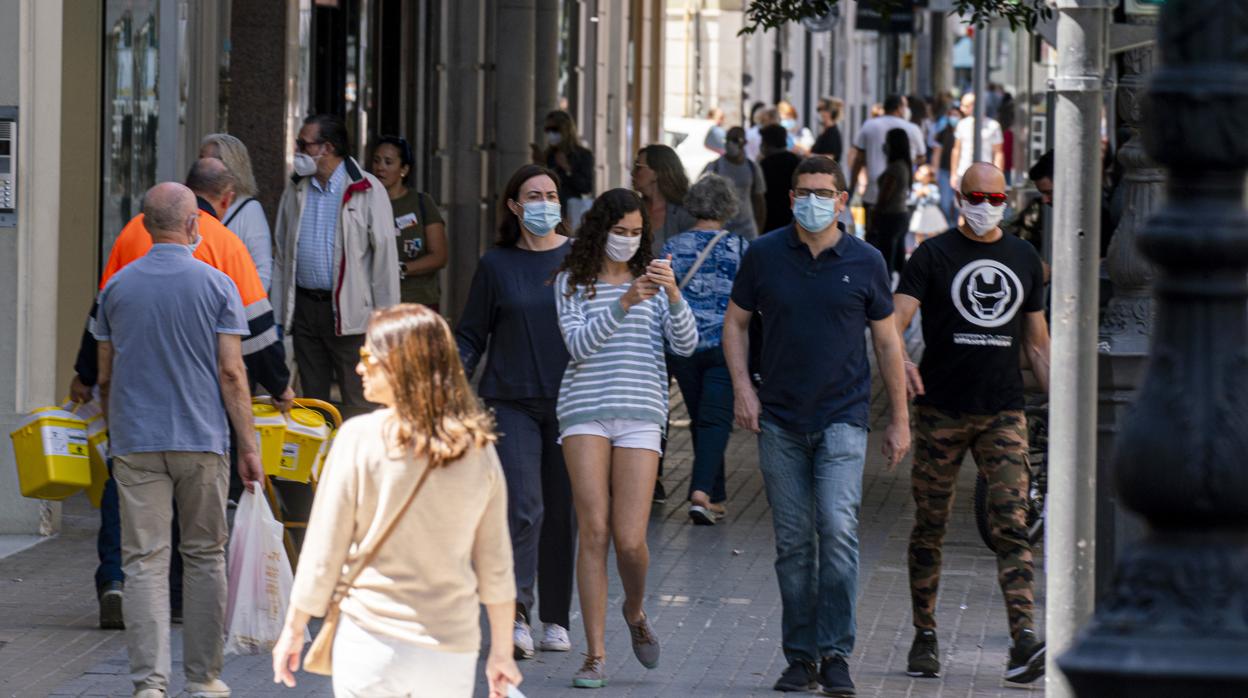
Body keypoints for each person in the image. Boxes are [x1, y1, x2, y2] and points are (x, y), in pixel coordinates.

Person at [71, 159, 292, 631]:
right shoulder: (228, 249)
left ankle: (114, 583)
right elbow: (252, 340)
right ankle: (180, 609)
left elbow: (101, 315)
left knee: (129, 512)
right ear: (222, 200)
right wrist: (280, 385)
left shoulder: (134, 232)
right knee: (197, 536)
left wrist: (85, 376)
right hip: (198, 417)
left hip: (135, 413)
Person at [722, 155, 911, 695]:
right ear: (790, 198)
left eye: (823, 192)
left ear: (842, 200)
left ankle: (835, 653)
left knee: (838, 530)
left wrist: (898, 419)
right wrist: (743, 388)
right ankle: (800, 656)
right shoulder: (763, 255)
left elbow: (887, 342)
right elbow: (734, 325)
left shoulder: (867, 260)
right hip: (779, 420)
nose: (812, 200)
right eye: (803, 191)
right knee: (794, 544)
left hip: (843, 420)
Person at [273, 304, 521, 698]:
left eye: (369, 356)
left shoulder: (358, 438)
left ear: (401, 364)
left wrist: (294, 628)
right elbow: (496, 562)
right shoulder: (476, 449)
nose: (359, 368)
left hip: (370, 638)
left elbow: (325, 547)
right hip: (450, 645)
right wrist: (502, 652)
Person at [94, 182, 264, 698]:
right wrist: (250, 446)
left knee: (143, 560)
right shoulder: (217, 285)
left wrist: (112, 425)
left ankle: (150, 683)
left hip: (135, 439)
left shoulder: (116, 288)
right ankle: (203, 676)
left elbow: (105, 374)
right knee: (204, 556)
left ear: (144, 226)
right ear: (194, 225)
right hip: (201, 439)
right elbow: (232, 374)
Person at [892, 162, 1049, 685]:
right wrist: (901, 363)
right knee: (930, 524)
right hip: (941, 409)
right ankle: (925, 633)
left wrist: (1061, 408)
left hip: (1002, 409)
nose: (986, 203)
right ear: (959, 198)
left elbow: (1036, 342)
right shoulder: (933, 254)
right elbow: (896, 321)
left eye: (996, 196)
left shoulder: (1024, 257)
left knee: (1011, 521)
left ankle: (1023, 637)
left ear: (1006, 199)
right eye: (976, 195)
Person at [554, 189, 698, 688]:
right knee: (593, 531)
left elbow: (686, 344)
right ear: (601, 230)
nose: (629, 241)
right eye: (621, 232)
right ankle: (595, 654)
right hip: (584, 410)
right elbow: (578, 348)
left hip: (641, 412)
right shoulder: (571, 282)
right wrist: (623, 304)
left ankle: (634, 610)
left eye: (637, 233)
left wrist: (674, 294)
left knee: (630, 540)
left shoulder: (654, 283)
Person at [456, 164, 578, 661]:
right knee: (524, 507)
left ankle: (555, 618)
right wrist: (451, 376)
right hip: (510, 400)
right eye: (533, 195)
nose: (544, 203)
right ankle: (517, 616)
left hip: (573, 403)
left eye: (551, 194)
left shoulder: (579, 262)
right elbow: (471, 332)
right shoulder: (496, 265)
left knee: (563, 513)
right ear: (514, 205)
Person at [272, 113, 400, 418]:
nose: (298, 150)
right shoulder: (296, 189)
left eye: (304, 144)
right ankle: (319, 466)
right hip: (305, 310)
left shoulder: (367, 189)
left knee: (360, 399)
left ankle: (359, 464)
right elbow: (281, 254)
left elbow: (384, 261)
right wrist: (277, 315)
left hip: (352, 315)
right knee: (311, 404)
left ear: (326, 148)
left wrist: (385, 324)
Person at [659, 174, 748, 525]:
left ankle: (716, 494)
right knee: (715, 420)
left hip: (682, 347)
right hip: (725, 347)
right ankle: (700, 493)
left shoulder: (672, 247)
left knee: (704, 418)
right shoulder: (741, 248)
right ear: (728, 208)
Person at [370, 135, 448, 311]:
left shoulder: (421, 202)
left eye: (388, 162)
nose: (380, 167)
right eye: (376, 161)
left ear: (403, 169)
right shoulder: (365, 203)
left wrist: (400, 269)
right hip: (377, 303)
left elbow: (439, 256)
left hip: (417, 302)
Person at [199, 133, 274, 292]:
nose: (202, 165)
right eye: (200, 158)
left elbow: (263, 271)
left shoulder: (250, 210)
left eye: (212, 160)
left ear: (232, 166)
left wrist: (239, 311)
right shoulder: (187, 202)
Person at [848, 95, 926, 236]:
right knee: (895, 243)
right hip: (900, 201)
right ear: (899, 108)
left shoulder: (869, 125)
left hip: (872, 195)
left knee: (872, 237)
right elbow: (922, 157)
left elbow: (858, 159)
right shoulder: (912, 129)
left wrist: (853, 187)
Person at [701, 126, 767, 238]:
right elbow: (701, 199)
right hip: (720, 230)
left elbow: (759, 201)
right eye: (728, 139)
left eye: (736, 140)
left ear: (744, 142)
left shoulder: (753, 168)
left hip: (747, 229)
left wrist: (759, 229)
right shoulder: (714, 167)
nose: (730, 143)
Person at [632, 143, 696, 254]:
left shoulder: (686, 214)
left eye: (638, 167)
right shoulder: (632, 209)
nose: (632, 173)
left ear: (656, 173)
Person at [869, 128, 915, 276]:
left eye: (888, 141)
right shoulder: (904, 165)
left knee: (886, 257)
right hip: (901, 215)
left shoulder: (895, 168)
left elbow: (884, 196)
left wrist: (875, 214)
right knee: (897, 257)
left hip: (891, 216)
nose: (885, 145)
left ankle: (885, 288)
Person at [535, 110, 595, 212]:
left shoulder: (583, 155)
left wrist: (567, 169)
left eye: (554, 129)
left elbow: (586, 187)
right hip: (547, 208)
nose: (550, 134)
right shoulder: (549, 154)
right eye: (547, 130)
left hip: (569, 211)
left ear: (565, 130)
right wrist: (539, 165)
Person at [950, 93, 1005, 190]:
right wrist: (953, 173)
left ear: (975, 106)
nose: (962, 109)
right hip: (963, 172)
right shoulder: (962, 124)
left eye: (965, 106)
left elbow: (998, 153)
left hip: (986, 174)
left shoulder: (993, 125)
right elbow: (956, 150)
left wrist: (998, 176)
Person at [759, 124, 801, 234]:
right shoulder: (796, 161)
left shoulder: (764, 165)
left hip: (770, 220)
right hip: (793, 219)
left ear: (768, 144)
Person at [928, 104, 962, 225]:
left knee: (959, 205)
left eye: (956, 115)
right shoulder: (942, 133)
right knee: (945, 204)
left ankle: (956, 226)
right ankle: (948, 226)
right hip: (944, 172)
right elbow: (936, 154)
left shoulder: (965, 133)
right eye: (951, 115)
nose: (953, 118)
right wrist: (934, 172)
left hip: (960, 173)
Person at [908, 164, 947, 251]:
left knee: (932, 233)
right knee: (919, 233)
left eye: (923, 174)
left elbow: (937, 199)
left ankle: (933, 249)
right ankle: (918, 249)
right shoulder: (915, 187)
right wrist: (917, 195)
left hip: (931, 213)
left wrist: (928, 194)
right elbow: (911, 201)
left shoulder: (932, 187)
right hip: (920, 212)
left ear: (929, 177)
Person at [811, 96, 845, 161]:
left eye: (820, 109)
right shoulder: (825, 131)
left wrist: (809, 155)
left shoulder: (832, 133)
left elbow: (830, 157)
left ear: (828, 113)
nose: (819, 113)